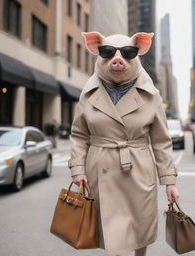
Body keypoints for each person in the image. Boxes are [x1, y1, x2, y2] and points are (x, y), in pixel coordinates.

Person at [68, 32, 179, 256]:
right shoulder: (88, 93)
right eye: (108, 52)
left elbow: (161, 141)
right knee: (111, 229)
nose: (118, 59)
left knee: (140, 223)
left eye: (128, 53)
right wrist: (77, 169)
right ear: (96, 49)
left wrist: (169, 181)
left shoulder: (151, 94)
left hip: (138, 167)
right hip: (101, 167)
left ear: (139, 50)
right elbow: (79, 134)